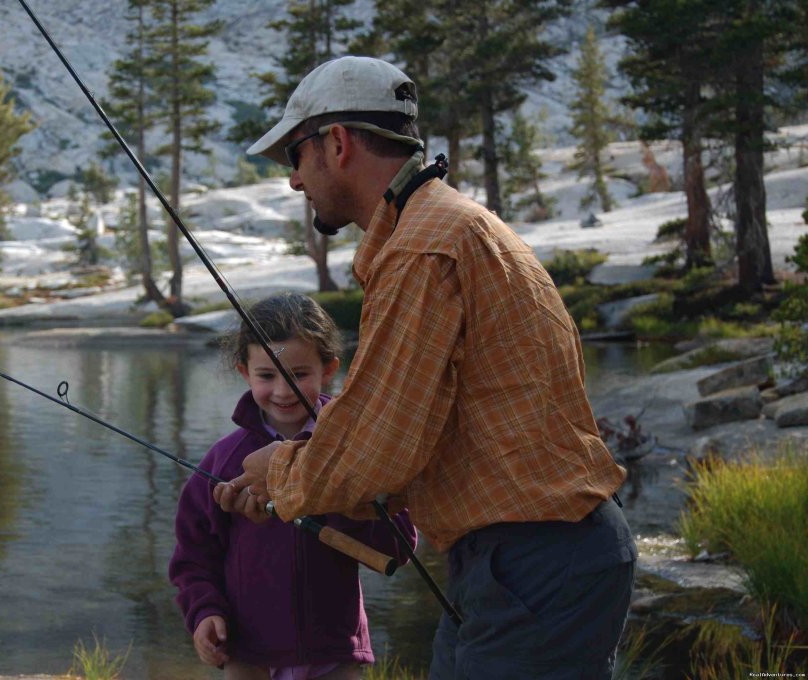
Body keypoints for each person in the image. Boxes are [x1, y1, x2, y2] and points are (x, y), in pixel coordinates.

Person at [214, 56, 637, 679]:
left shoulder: (423, 247)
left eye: (295, 157)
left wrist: (279, 471)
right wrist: (293, 490)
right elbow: (416, 443)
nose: (294, 181)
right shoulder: (447, 225)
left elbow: (379, 441)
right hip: (531, 556)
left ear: (336, 143)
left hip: (535, 561)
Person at [169, 292, 417, 680]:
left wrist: (326, 491)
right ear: (243, 373)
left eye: (298, 374)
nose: (283, 392)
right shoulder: (223, 460)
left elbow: (399, 546)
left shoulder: (358, 451)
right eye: (267, 376)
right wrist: (205, 611)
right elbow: (194, 555)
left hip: (337, 652)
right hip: (247, 654)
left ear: (329, 369)